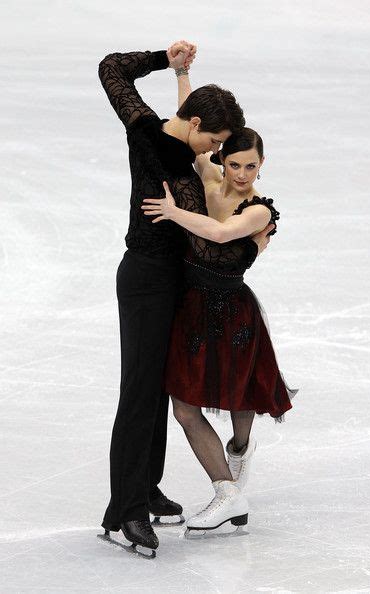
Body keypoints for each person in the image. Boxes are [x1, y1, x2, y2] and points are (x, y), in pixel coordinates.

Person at [97, 40, 271, 554]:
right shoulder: (148, 135)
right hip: (147, 279)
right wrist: (160, 60)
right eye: (214, 140)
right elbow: (111, 71)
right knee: (139, 393)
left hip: (183, 285)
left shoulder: (186, 141)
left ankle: (145, 488)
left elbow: (188, 111)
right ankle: (125, 511)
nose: (217, 152)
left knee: (162, 387)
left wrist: (180, 73)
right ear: (195, 126)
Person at [142, 67, 297, 534]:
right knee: (186, 407)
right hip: (192, 307)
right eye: (236, 164)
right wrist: (183, 75)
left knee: (236, 395)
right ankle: (227, 491)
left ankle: (239, 448)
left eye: (252, 166)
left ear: (261, 166)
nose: (244, 174)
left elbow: (221, 232)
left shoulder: (259, 211)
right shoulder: (209, 181)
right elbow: (190, 120)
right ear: (223, 160)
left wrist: (173, 212)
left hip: (234, 311)